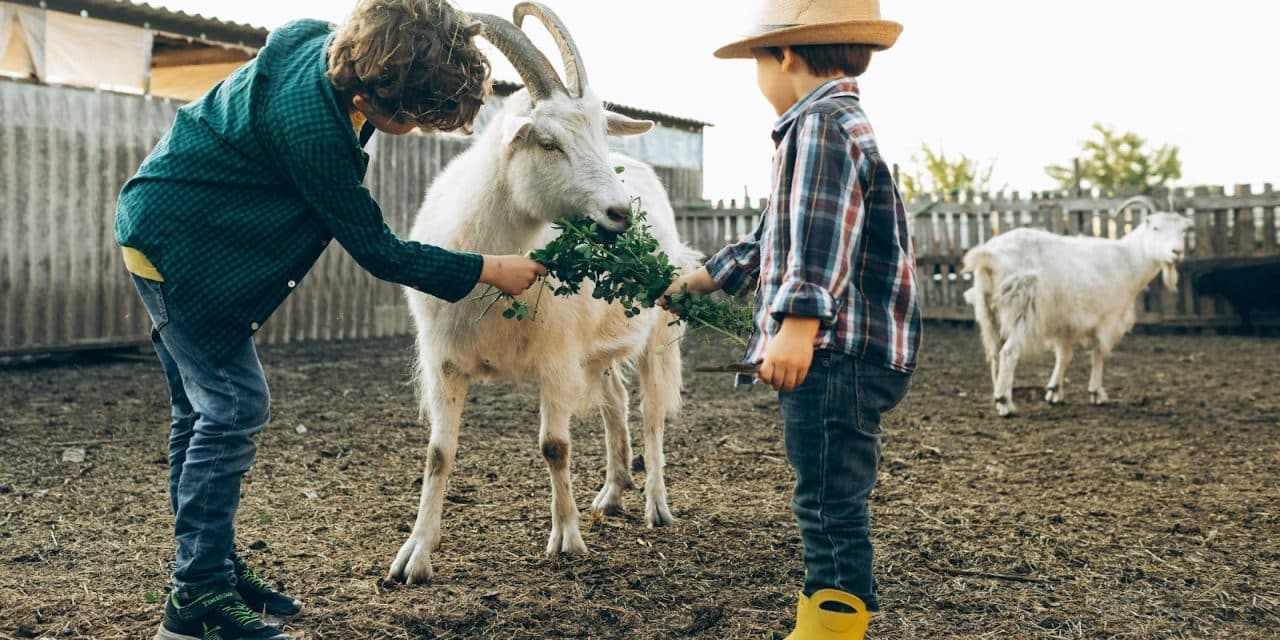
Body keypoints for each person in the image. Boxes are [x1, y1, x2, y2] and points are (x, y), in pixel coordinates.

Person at [115, 2, 546, 638]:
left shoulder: (324, 46)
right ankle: (196, 603)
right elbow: (378, 251)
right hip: (182, 252)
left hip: (163, 223)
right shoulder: (314, 131)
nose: (422, 129)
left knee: (200, 413)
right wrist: (487, 268)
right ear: (373, 97)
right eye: (417, 118)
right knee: (233, 407)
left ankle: (207, 568)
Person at [662, 2, 920, 637]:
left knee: (829, 502)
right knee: (832, 492)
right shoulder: (835, 122)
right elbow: (777, 233)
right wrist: (702, 277)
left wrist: (798, 326)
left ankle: (831, 629)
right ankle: (835, 616)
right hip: (851, 351)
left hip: (834, 352)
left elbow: (817, 240)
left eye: (756, 61)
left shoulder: (820, 126)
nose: (756, 78)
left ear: (785, 56)